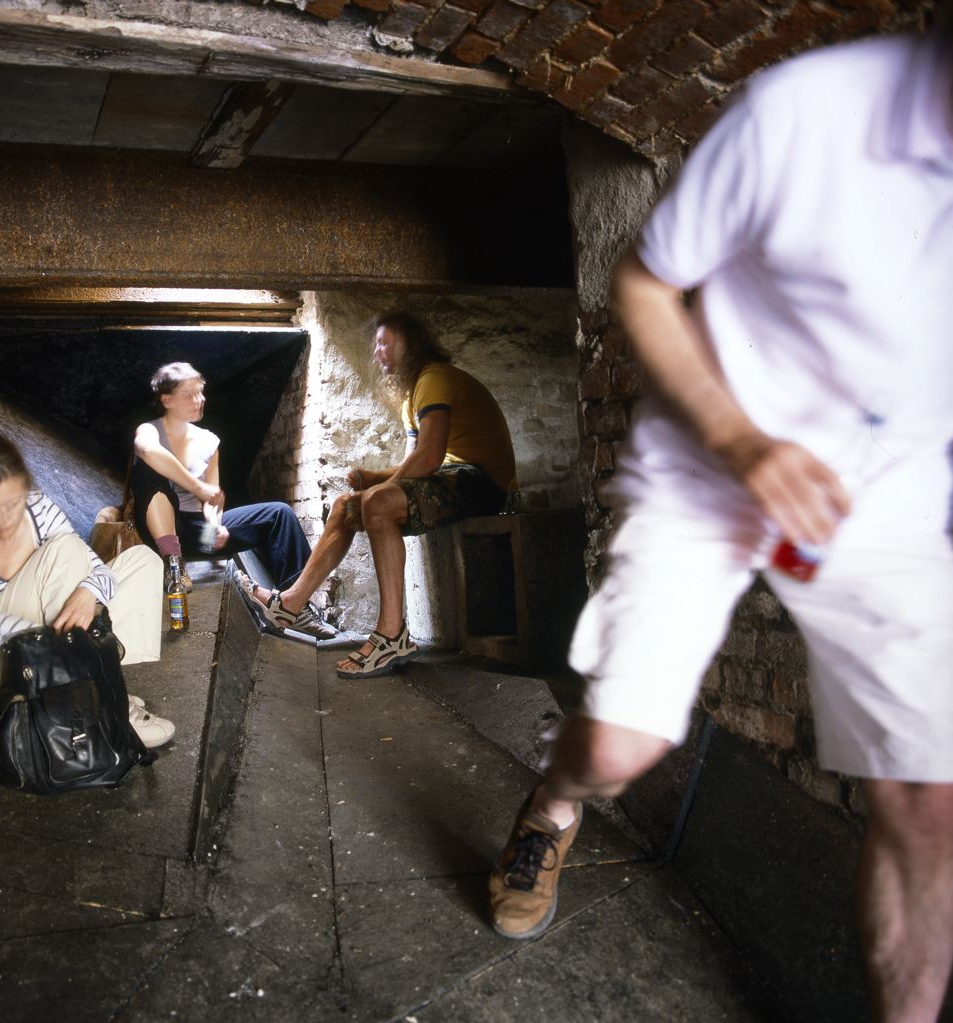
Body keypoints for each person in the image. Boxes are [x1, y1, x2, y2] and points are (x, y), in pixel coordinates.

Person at [487, 21, 953, 1022]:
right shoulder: (807, 110)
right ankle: (553, 805)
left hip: (887, 500)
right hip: (711, 466)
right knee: (618, 750)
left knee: (932, 800)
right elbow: (645, 284)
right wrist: (744, 443)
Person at [246, 311, 516, 678]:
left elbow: (430, 457)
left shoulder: (434, 378)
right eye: (376, 345)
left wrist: (379, 489)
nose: (378, 351)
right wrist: (374, 478)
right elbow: (414, 464)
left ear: (413, 344)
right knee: (345, 505)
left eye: (387, 342)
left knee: (376, 502)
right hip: (452, 476)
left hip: (485, 482)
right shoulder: (412, 397)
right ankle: (291, 603)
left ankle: (391, 635)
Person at [0, 432, 175, 747]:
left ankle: (97, 684)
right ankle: (98, 705)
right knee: (63, 552)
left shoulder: (38, 508)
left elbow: (93, 568)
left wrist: (87, 592)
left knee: (142, 561)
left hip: (36, 650)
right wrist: (48, 632)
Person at [131, 361, 335, 640]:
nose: (199, 400)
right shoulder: (150, 431)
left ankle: (295, 604)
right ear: (167, 400)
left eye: (200, 393)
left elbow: (212, 496)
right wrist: (198, 487)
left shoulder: (208, 441)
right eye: (189, 395)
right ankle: (173, 563)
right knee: (148, 469)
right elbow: (147, 450)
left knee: (279, 513)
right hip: (160, 529)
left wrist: (215, 524)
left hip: (197, 530)